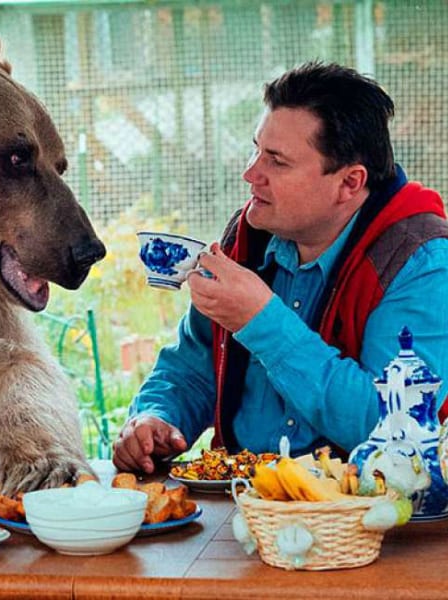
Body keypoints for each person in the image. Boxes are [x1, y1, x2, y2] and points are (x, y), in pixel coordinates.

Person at [114, 62, 448, 474]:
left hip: (364, 517)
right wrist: (156, 419)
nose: (251, 173)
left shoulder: (422, 262)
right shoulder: (247, 237)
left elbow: (393, 429)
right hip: (244, 504)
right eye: (256, 148)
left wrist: (261, 320)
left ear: (349, 182)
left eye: (276, 161)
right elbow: (195, 365)